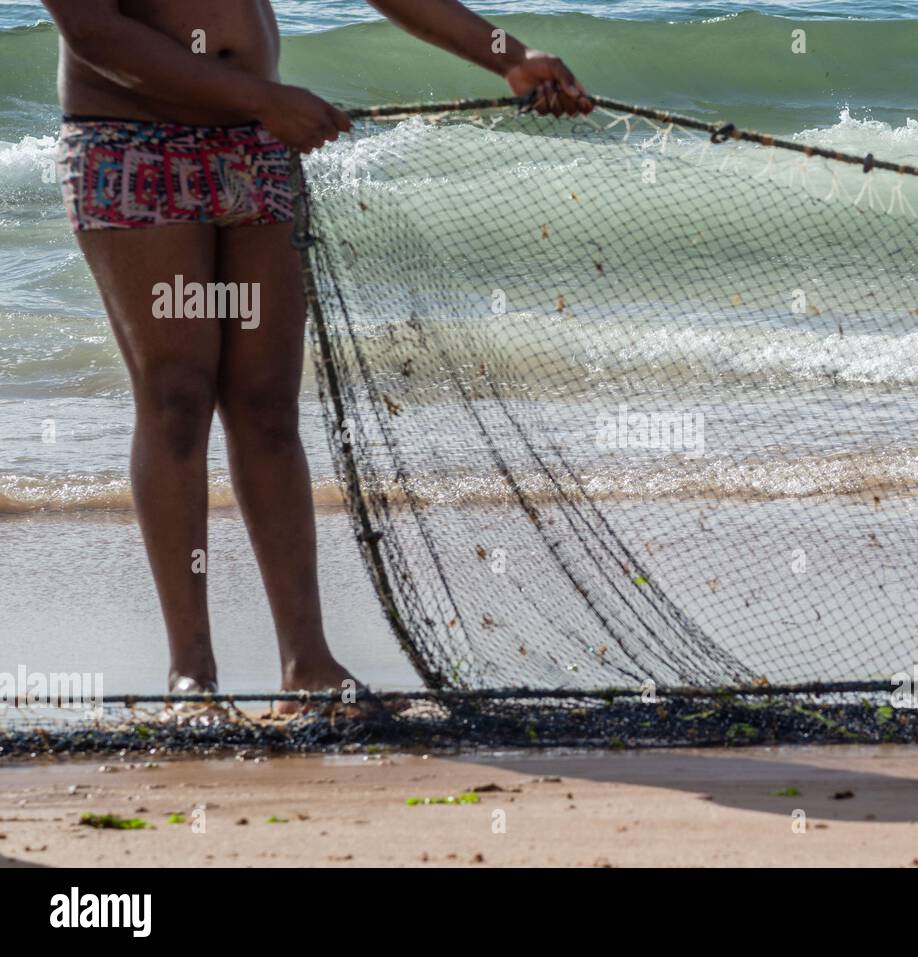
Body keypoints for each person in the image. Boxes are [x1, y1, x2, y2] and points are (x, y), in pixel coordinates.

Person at [41, 0, 591, 709]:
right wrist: (264, 98)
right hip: (131, 140)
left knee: (266, 405)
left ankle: (306, 664)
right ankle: (191, 675)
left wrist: (510, 56)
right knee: (177, 397)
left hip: (257, 143)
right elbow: (95, 33)